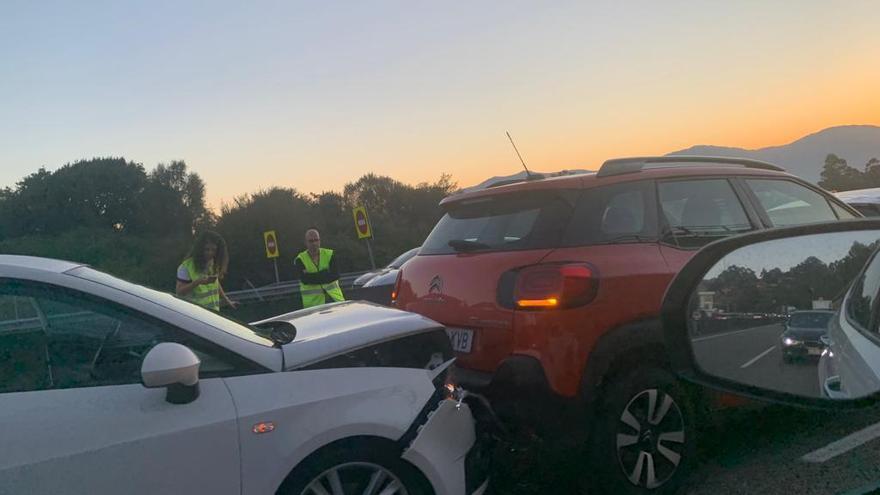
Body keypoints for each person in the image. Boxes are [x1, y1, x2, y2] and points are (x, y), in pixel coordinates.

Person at [176, 231, 238, 311]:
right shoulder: (186, 267)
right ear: (200, 249)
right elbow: (179, 292)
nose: (210, 253)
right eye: (207, 249)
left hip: (213, 313)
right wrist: (198, 282)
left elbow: (215, 283)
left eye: (214, 250)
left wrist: (227, 301)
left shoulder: (212, 262)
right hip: (195, 314)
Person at [293, 229, 345, 308]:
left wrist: (312, 276)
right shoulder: (300, 259)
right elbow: (305, 280)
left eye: (316, 240)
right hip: (313, 306)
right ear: (306, 243)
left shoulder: (330, 254)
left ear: (320, 240)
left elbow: (336, 275)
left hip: (335, 300)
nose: (314, 243)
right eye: (311, 241)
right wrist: (325, 273)